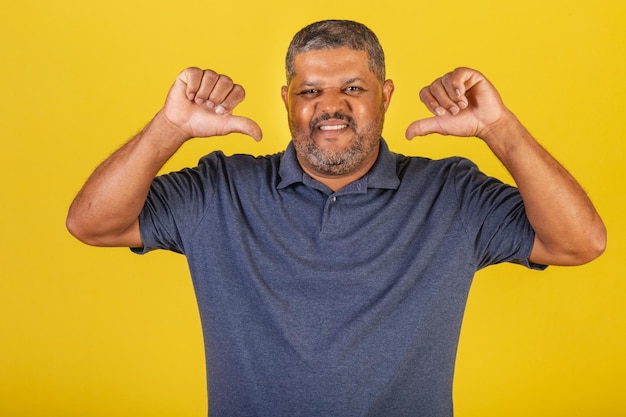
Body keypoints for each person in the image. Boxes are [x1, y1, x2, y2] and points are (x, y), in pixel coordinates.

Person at [67, 20, 606, 417]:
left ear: (385, 96)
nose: (331, 106)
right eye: (310, 91)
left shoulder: (451, 193)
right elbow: (94, 224)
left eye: (352, 88)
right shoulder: (221, 188)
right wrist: (169, 127)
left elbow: (579, 243)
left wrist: (500, 129)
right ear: (287, 101)